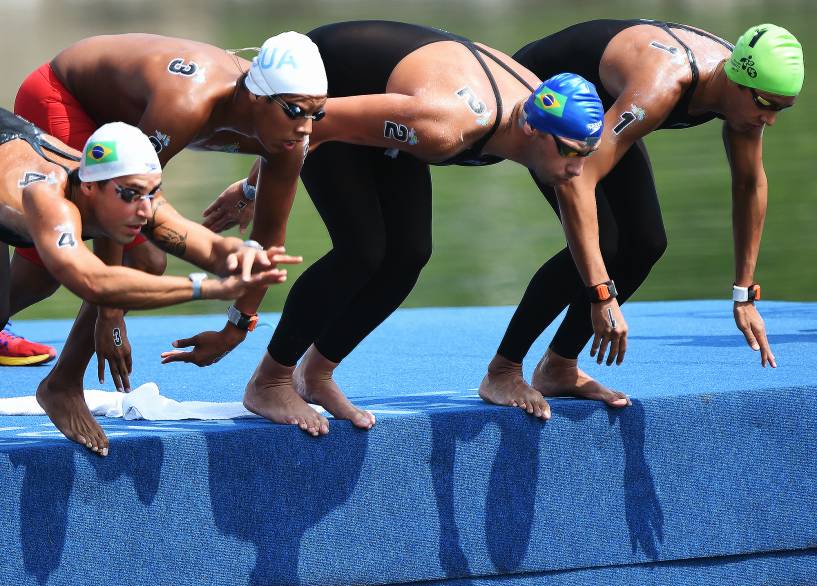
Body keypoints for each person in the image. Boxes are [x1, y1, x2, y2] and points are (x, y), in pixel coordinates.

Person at [196, 20, 605, 435]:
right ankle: (270, 380)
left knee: (409, 254)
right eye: (572, 153)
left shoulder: (544, 121)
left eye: (588, 153)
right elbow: (309, 125)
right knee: (362, 251)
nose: (578, 168)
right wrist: (251, 188)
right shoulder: (441, 126)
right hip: (332, 81)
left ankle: (315, 375)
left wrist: (601, 295)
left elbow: (579, 209)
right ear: (532, 130)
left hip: (394, 96)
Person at [476, 21, 804, 413]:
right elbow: (578, 183)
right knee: (607, 243)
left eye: (780, 109)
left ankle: (559, 366)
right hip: (548, 94)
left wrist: (744, 293)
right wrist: (601, 293)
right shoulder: (661, 86)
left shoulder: (744, 102)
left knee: (646, 243)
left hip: (605, 107)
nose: (769, 119)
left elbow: (750, 185)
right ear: (736, 81)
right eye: (766, 105)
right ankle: (503, 369)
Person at [9, 30, 326, 394]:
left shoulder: (292, 137)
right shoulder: (186, 104)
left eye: (318, 113)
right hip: (65, 96)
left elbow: (268, 240)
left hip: (123, 131)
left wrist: (235, 329)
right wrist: (109, 315)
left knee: (116, 262)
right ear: (255, 96)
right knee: (78, 267)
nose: (305, 127)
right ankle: (62, 386)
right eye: (295, 111)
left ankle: (60, 384)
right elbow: (117, 194)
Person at [0, 112, 301, 455]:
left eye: (151, 194)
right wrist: (206, 288)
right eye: (131, 195)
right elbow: (93, 282)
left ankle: (61, 385)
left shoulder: (132, 193)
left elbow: (210, 247)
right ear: (88, 187)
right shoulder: (49, 198)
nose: (144, 210)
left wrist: (242, 254)